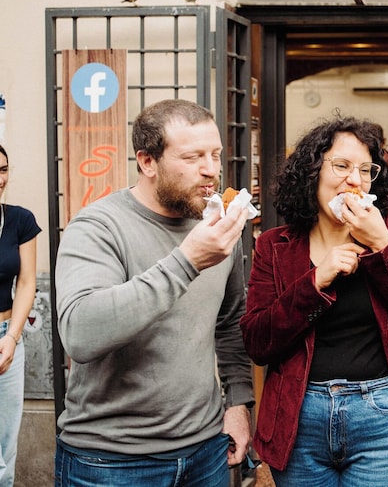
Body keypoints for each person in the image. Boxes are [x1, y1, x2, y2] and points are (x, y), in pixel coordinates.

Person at [54, 99, 254, 487]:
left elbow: (230, 325)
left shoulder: (219, 227)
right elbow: (81, 334)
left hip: (206, 451)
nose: (210, 169)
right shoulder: (98, 227)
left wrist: (239, 404)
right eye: (193, 157)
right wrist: (187, 261)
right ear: (147, 162)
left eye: (215, 154)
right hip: (111, 461)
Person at [240, 116, 388, 486]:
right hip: (299, 418)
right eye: (342, 166)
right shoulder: (275, 245)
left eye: (366, 170)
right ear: (312, 172)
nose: (355, 180)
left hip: (383, 416)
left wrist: (383, 247)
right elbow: (258, 341)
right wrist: (315, 281)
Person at [0, 145, 40, 487]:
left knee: (4, 450)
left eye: (2, 170)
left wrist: (11, 338)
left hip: (6, 337)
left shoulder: (20, 220)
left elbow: (27, 282)